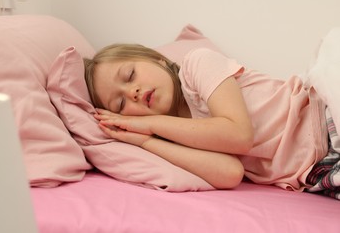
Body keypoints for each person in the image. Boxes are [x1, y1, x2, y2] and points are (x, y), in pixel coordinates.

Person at [83, 43, 339, 199]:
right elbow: (230, 173)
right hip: (319, 173)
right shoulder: (172, 135)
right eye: (120, 104)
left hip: (326, 123)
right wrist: (146, 141)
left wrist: (150, 124)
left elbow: (239, 135)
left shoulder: (197, 65)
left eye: (130, 75)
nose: (132, 92)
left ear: (157, 59)